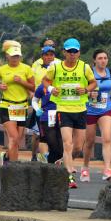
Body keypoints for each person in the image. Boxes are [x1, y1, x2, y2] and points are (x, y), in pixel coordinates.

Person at [44, 38, 96, 187]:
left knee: (78, 147)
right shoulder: (56, 67)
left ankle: (63, 162)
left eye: (75, 51)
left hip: (80, 109)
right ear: (64, 52)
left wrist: (86, 89)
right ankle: (69, 177)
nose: (72, 54)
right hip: (63, 108)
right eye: (69, 51)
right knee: (68, 143)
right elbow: (45, 81)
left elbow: (93, 83)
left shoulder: (84, 67)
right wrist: (51, 89)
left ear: (79, 52)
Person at [0, 46, 36, 164]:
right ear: (7, 56)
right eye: (13, 56)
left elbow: (33, 87)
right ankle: (13, 166)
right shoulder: (2, 69)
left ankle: (6, 156)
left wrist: (21, 81)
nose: (15, 58)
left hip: (22, 106)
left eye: (17, 56)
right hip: (7, 105)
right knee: (14, 137)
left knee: (17, 140)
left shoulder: (26, 69)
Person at [86, 49, 111, 181]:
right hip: (89, 109)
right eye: (100, 58)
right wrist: (89, 94)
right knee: (89, 142)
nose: (103, 60)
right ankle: (85, 167)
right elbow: (81, 89)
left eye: (105, 58)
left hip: (106, 109)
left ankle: (107, 169)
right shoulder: (88, 73)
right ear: (94, 60)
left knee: (107, 138)